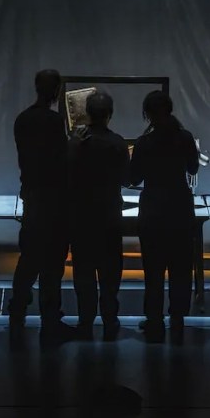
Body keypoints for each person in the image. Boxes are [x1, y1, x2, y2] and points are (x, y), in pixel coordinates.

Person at [10, 69, 76, 340]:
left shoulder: (23, 119)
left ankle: (17, 311)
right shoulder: (53, 121)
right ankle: (50, 317)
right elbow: (61, 161)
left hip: (33, 196)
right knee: (52, 263)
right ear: (57, 91)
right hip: (54, 199)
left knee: (29, 258)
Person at [129, 91, 199, 343]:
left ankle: (154, 318)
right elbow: (193, 167)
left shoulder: (144, 143)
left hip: (153, 207)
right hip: (179, 205)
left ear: (147, 114)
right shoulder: (185, 137)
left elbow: (134, 177)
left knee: (153, 269)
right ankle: (178, 317)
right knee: (181, 267)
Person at [68, 91, 130, 341]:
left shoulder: (76, 143)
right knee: (110, 271)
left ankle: (85, 320)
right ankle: (110, 318)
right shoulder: (118, 143)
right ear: (110, 114)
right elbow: (126, 178)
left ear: (87, 113)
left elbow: (65, 173)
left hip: (81, 215)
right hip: (109, 214)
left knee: (83, 270)